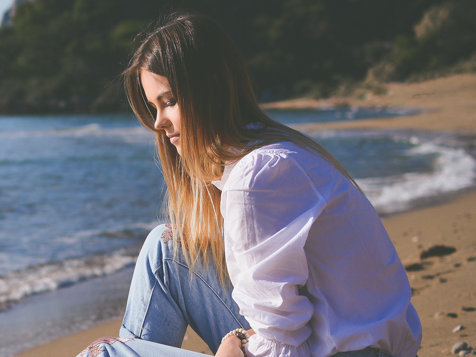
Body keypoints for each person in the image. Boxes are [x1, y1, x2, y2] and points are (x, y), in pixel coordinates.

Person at [77, 12, 421, 357]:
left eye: (169, 102)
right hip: (352, 345)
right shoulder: (272, 154)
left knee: (104, 355)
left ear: (210, 88)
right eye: (154, 107)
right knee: (165, 249)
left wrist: (238, 346)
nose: (158, 123)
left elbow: (284, 347)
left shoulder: (256, 178)